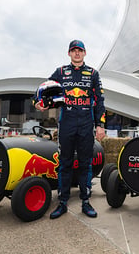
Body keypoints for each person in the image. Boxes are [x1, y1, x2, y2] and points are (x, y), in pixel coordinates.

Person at [34, 39, 106, 219]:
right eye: (73, 50)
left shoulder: (93, 74)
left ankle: (86, 201)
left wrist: (100, 125)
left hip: (85, 123)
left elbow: (99, 101)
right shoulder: (60, 72)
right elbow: (44, 89)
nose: (76, 53)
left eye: (80, 50)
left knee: (85, 163)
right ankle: (63, 202)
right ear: (69, 53)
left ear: (85, 53)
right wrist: (37, 103)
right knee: (64, 163)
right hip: (66, 122)